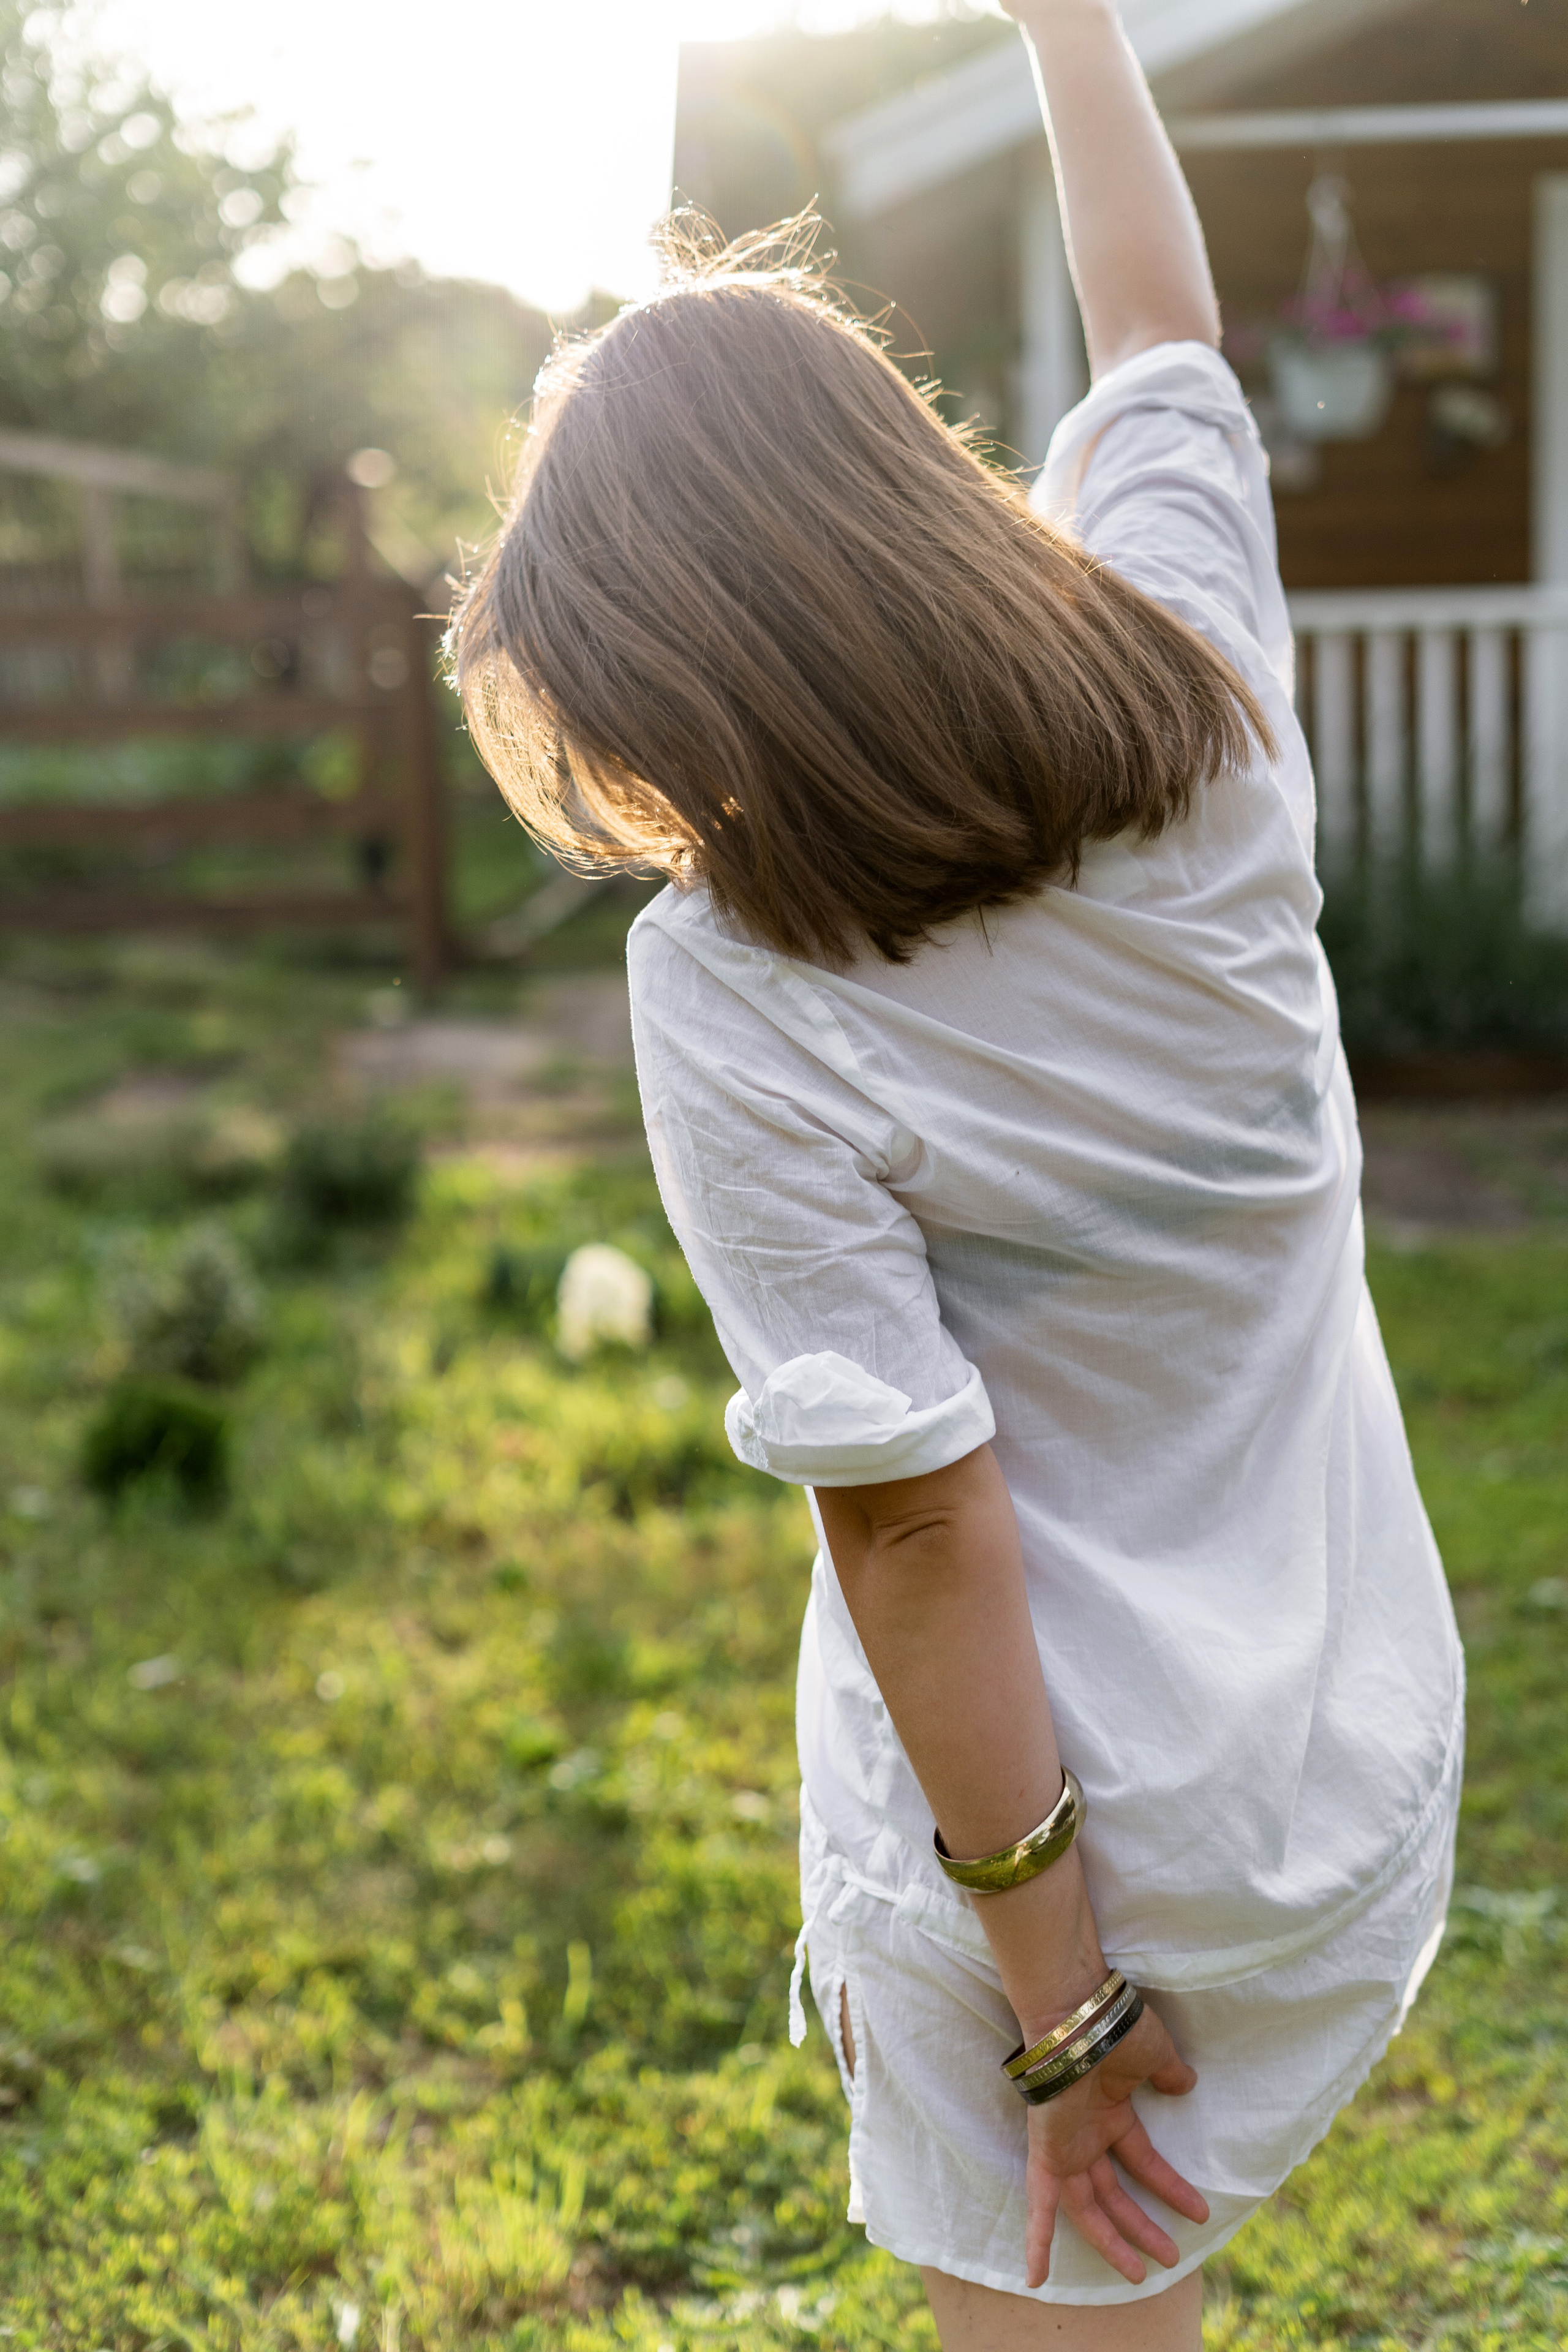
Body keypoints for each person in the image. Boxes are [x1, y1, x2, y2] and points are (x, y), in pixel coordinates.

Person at [450, 2, 1464, 2342]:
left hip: (1064, 1891)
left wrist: (1067, 2013)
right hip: (1331, 1787)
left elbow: (917, 1524)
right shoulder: (1207, 714)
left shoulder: (732, 982)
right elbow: (1164, 331)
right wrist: (1070, 25)